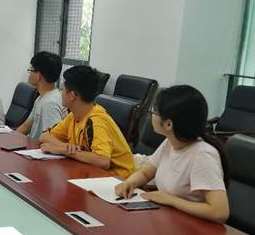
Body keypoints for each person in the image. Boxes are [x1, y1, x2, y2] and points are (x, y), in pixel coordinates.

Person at [115, 85, 229, 223]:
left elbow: (219, 212)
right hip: (168, 219)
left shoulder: (203, 155)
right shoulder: (170, 143)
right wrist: (130, 183)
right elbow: (146, 173)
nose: (151, 115)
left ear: (168, 124)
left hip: (193, 228)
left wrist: (171, 200)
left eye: (154, 111)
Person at [39, 65, 135, 178]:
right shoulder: (74, 115)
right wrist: (65, 146)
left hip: (119, 180)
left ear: (72, 95)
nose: (61, 94)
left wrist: (66, 151)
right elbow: (44, 136)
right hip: (90, 173)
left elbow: (103, 161)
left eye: (62, 90)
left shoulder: (97, 121)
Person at [15, 51, 66, 139]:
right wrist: (10, 138)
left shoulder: (50, 104)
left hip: (38, 147)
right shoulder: (41, 98)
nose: (29, 74)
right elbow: (26, 127)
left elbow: (52, 139)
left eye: (31, 70)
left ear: (38, 75)